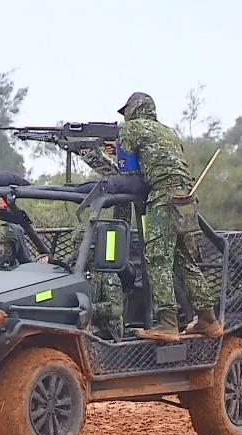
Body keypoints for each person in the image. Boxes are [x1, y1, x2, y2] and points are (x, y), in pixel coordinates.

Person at [102, 92, 221, 341]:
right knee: (184, 258)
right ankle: (208, 318)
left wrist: (120, 151)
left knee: (157, 258)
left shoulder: (130, 128)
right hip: (186, 197)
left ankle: (167, 323)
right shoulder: (167, 131)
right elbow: (158, 159)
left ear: (133, 110)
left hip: (163, 196)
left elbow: (129, 172)